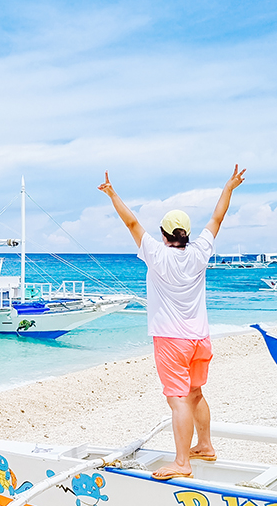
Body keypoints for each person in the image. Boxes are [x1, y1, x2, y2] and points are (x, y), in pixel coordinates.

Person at [98, 165, 246, 480]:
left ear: (164, 234)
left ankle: (182, 462)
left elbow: (131, 221)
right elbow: (217, 218)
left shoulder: (157, 254)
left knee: (177, 398)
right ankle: (204, 445)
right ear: (186, 234)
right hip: (200, 338)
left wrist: (112, 193)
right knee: (194, 393)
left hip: (171, 341)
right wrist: (228, 188)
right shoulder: (201, 250)